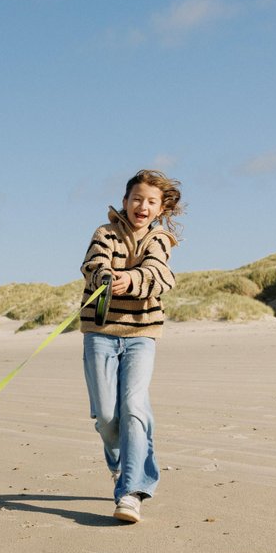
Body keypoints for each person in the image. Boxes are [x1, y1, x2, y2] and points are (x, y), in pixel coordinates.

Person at [78, 169, 183, 523]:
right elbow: (93, 264)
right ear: (125, 202)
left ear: (160, 208)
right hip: (100, 332)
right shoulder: (104, 233)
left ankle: (130, 491)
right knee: (107, 416)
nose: (143, 206)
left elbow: (159, 274)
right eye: (137, 199)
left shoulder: (160, 240)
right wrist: (106, 277)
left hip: (141, 335)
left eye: (151, 201)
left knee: (135, 407)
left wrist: (133, 279)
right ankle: (123, 465)